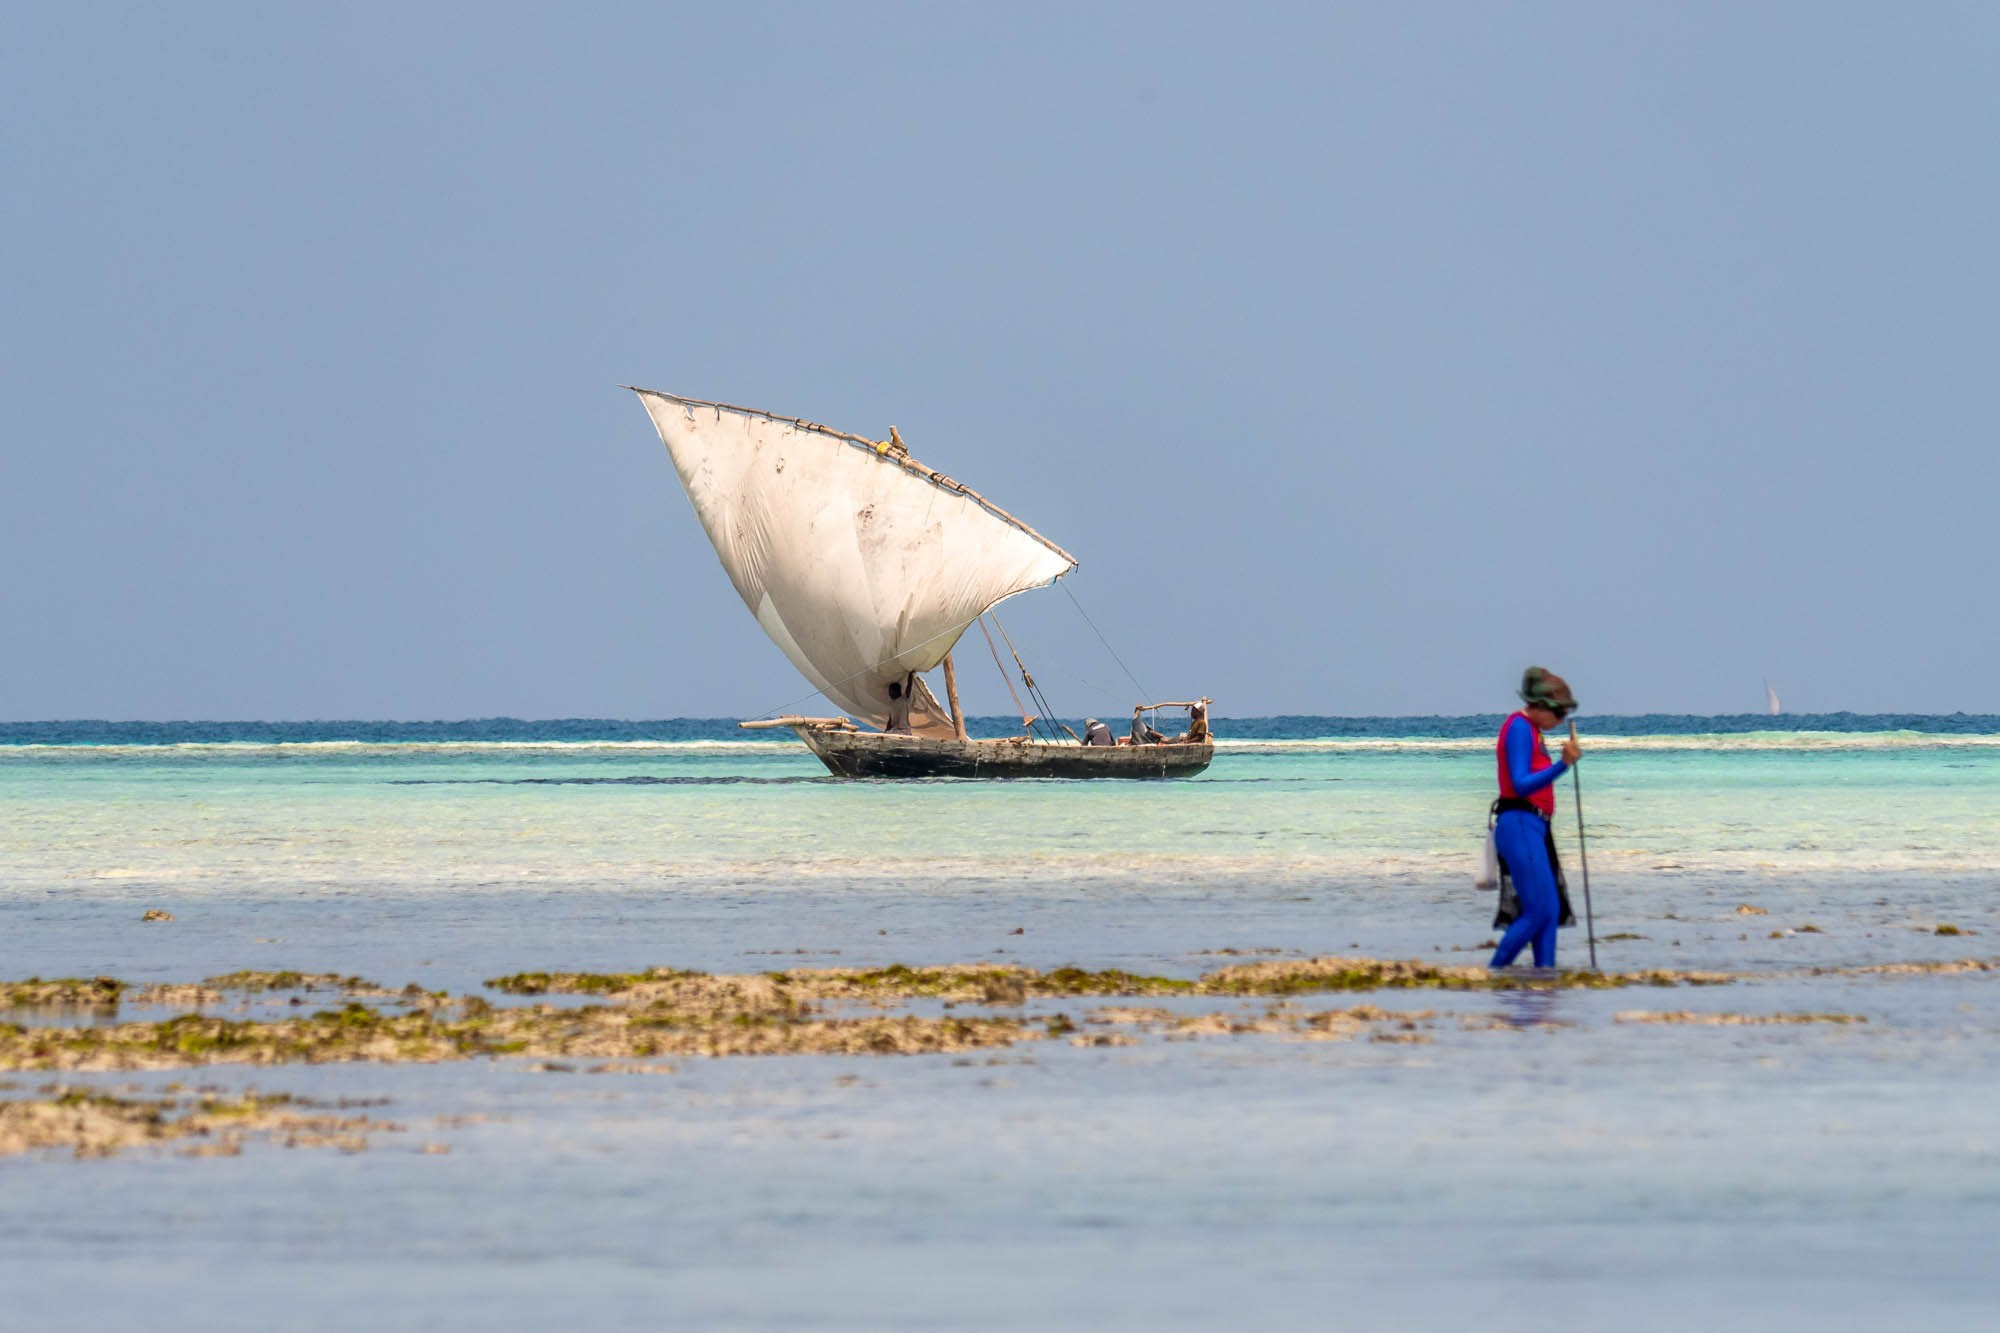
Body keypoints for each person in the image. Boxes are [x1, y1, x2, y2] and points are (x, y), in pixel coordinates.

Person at [1490, 666, 1583, 970]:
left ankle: (1546, 976)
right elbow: (1519, 783)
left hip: (1535, 826)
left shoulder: (1534, 732)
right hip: (1518, 823)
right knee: (1537, 910)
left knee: (1550, 907)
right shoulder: (1518, 727)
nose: (1560, 721)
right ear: (1540, 706)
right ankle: (1496, 972)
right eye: (1558, 713)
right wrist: (1563, 764)